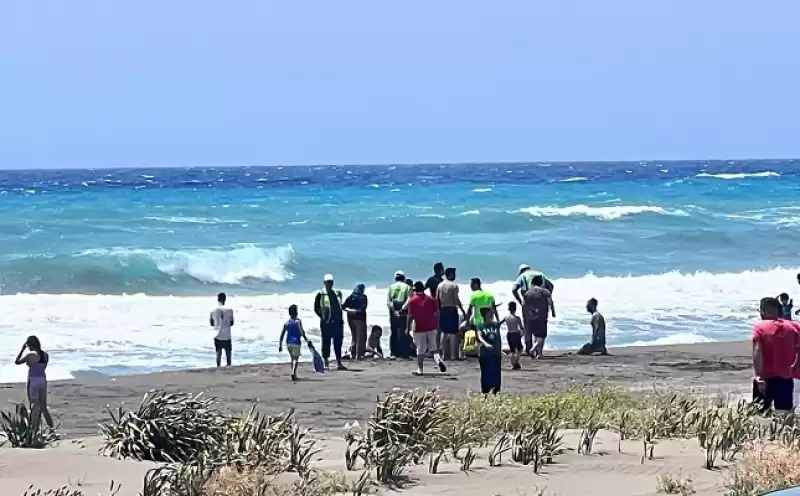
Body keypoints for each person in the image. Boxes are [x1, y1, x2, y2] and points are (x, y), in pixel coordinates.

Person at [752, 296, 800, 412]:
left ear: (762, 312)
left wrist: (758, 376)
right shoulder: (794, 326)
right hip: (786, 379)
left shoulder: (760, 327)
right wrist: (795, 366)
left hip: (765, 379)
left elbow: (758, 351)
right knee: (784, 416)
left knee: (759, 416)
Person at [406, 281, 447, 375]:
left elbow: (410, 316)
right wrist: (437, 324)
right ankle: (438, 361)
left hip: (419, 327)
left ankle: (420, 370)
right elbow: (437, 313)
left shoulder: (412, 301)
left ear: (415, 290)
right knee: (433, 348)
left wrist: (407, 328)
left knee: (420, 349)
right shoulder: (431, 299)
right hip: (431, 326)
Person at [512, 264, 554, 354]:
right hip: (542, 303)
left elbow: (514, 289)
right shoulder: (540, 274)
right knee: (541, 326)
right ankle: (538, 350)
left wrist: (520, 301)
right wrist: (547, 295)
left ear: (521, 271)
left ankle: (529, 349)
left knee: (528, 327)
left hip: (528, 302)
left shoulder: (522, 276)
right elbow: (551, 285)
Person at [14, 336, 54, 428]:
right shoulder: (45, 355)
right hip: (43, 380)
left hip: (33, 380)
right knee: (43, 407)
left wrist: (22, 349)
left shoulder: (31, 355)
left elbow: (17, 361)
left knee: (34, 405)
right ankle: (52, 428)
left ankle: (33, 429)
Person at [314, 274, 347, 370]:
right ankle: (326, 363)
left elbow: (341, 305)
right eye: (327, 282)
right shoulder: (321, 294)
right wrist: (323, 316)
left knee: (338, 342)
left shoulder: (337, 293)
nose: (329, 284)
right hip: (326, 323)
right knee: (326, 342)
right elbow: (316, 308)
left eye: (331, 282)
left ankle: (339, 362)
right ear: (324, 283)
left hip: (337, 322)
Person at [437, 267, 466, 361]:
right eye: (454, 274)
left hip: (442, 310)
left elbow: (436, 299)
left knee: (444, 332)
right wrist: (462, 310)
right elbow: (456, 299)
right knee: (453, 333)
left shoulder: (440, 285)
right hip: (452, 309)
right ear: (450, 274)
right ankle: (454, 355)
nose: (455, 276)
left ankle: (444, 355)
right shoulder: (453, 286)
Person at [523, 275, 555, 358]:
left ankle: (538, 353)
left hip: (530, 317)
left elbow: (524, 305)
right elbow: (550, 302)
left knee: (535, 335)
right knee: (542, 336)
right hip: (542, 316)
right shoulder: (545, 292)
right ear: (541, 283)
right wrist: (553, 312)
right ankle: (537, 351)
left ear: (533, 283)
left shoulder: (528, 292)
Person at [476, 307, 503, 396]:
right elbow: (479, 336)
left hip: (496, 353)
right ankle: (485, 392)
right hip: (485, 354)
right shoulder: (480, 325)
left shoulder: (495, 324)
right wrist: (486, 344)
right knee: (485, 373)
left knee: (496, 373)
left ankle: (496, 392)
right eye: (490, 313)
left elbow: (501, 320)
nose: (492, 315)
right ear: (486, 314)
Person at [279, 305, 309, 381]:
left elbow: (282, 334)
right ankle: (293, 373)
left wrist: (280, 344)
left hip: (288, 343)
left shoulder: (287, 323)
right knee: (296, 359)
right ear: (296, 312)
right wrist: (306, 339)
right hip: (296, 342)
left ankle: (293, 373)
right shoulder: (297, 321)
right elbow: (301, 331)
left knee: (292, 358)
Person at [387, 271, 413, 359]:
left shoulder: (391, 287)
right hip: (403, 309)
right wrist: (402, 309)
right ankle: (403, 352)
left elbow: (388, 301)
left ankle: (393, 352)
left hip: (393, 308)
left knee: (393, 331)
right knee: (402, 331)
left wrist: (394, 311)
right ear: (404, 278)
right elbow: (409, 299)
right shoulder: (407, 287)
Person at [343, 284, 369, 360]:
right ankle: (358, 356)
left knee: (354, 337)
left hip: (350, 318)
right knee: (359, 337)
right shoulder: (363, 297)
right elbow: (362, 308)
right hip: (360, 318)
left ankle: (353, 354)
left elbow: (343, 307)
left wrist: (350, 310)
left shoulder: (351, 297)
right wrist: (356, 311)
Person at [210, 292, 234, 367]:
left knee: (218, 354)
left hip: (217, 335)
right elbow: (232, 323)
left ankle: (218, 368)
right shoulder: (230, 310)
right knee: (228, 355)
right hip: (227, 335)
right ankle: (229, 367)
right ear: (225, 299)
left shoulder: (212, 311)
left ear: (217, 299)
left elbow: (211, 323)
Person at [504, 302, 524, 370]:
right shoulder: (517, 318)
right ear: (515, 308)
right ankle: (516, 361)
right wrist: (523, 332)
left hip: (509, 334)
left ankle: (513, 365)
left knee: (512, 351)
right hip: (516, 334)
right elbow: (521, 327)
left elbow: (498, 324)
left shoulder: (506, 317)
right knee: (520, 349)